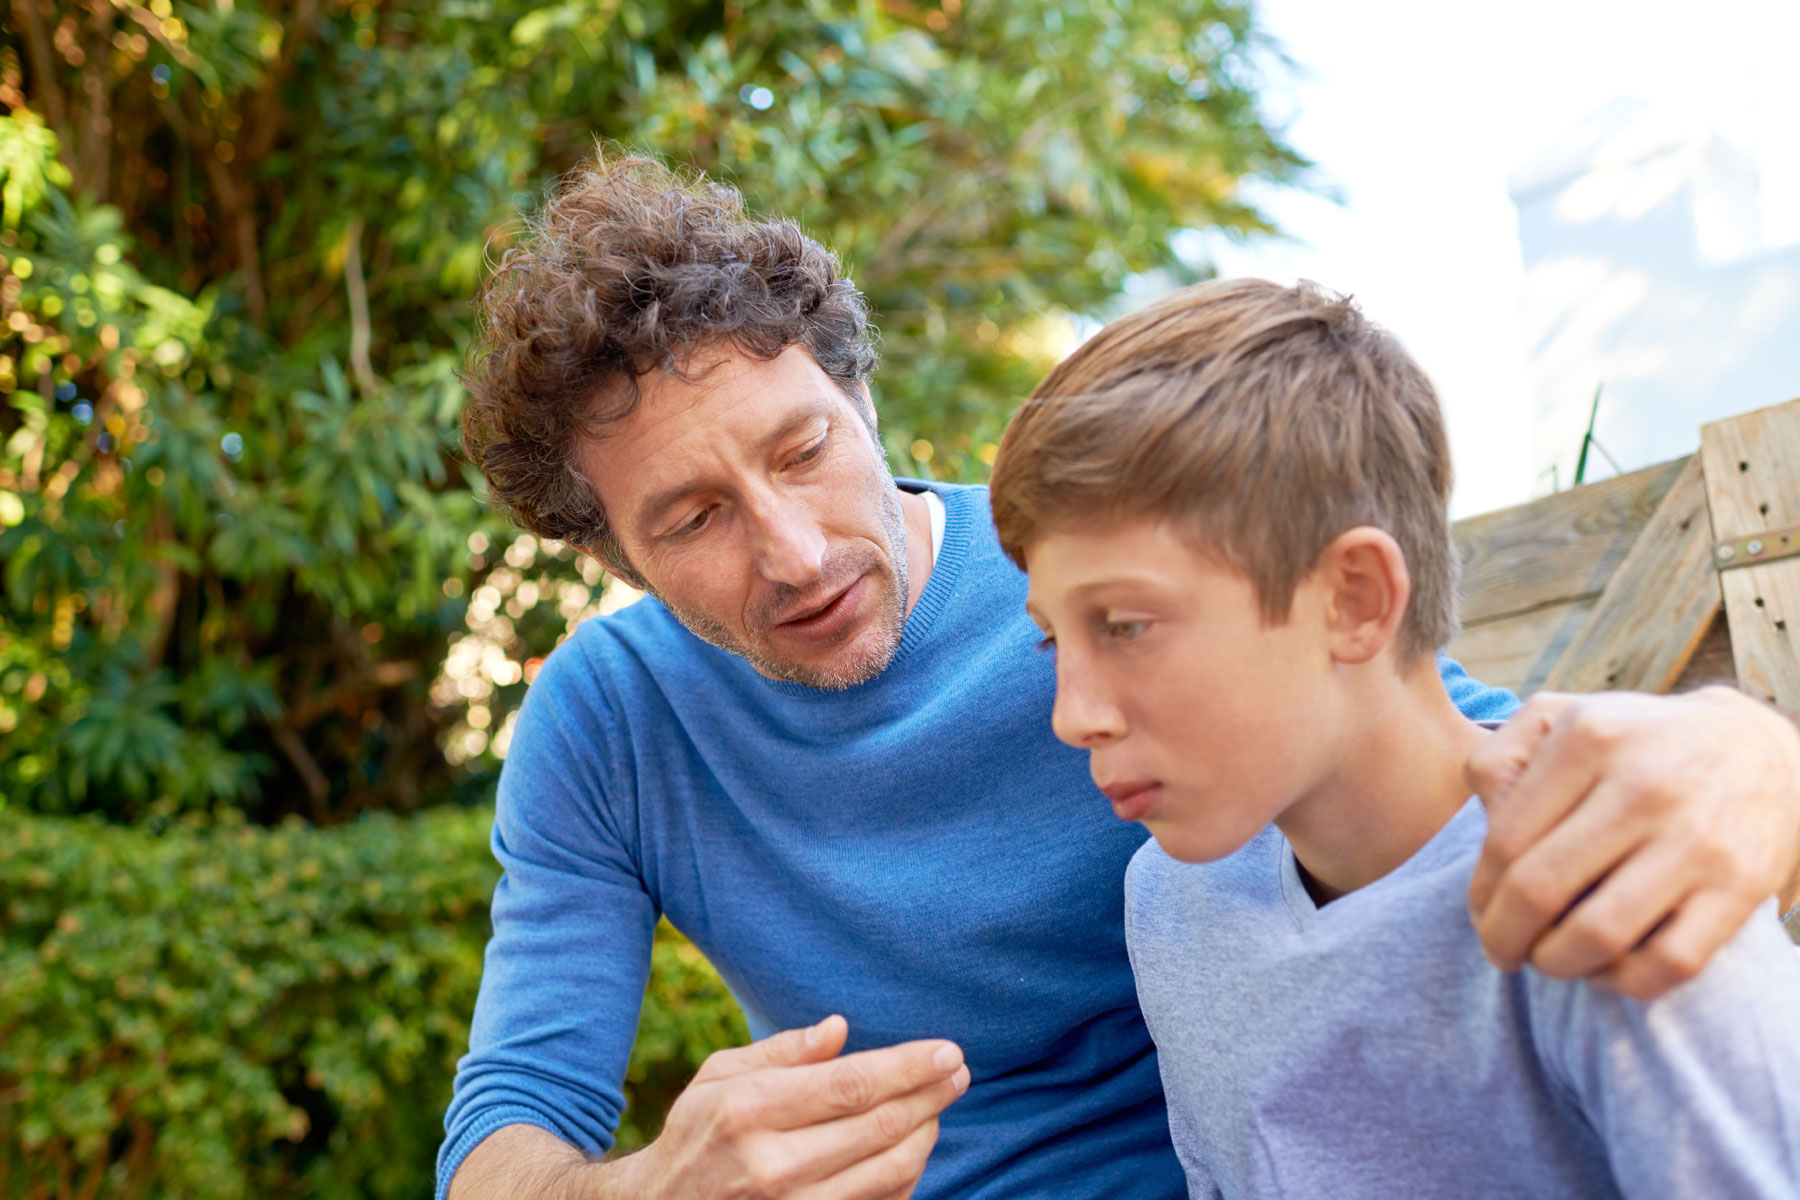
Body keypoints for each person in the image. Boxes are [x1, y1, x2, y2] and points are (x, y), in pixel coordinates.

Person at [440, 154, 1800, 1200]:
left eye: (802, 451)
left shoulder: (1102, 572)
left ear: (861, 402)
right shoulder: (608, 723)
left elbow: (1411, 745)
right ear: (618, 561)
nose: (794, 553)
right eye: (692, 518)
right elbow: (504, 1138)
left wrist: (1758, 755)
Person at [990, 277, 1800, 1197]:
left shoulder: (1615, 882)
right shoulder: (1171, 905)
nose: (1072, 714)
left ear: (1354, 599)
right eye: (1055, 639)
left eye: (1126, 625)